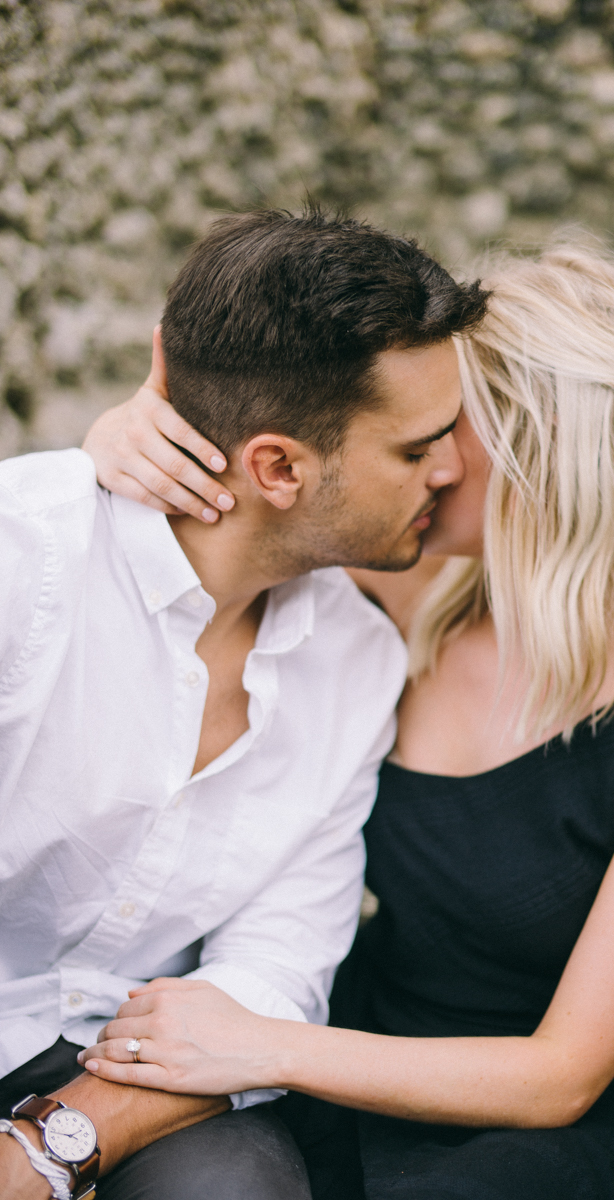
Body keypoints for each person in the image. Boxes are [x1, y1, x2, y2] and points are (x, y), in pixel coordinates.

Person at [78, 245, 614, 1200]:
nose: (421, 455)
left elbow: (561, 1077)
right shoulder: (408, 598)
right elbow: (252, 486)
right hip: (365, 1060)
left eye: (443, 428)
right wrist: (119, 440)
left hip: (557, 1126)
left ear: (535, 453)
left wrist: (269, 1045)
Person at [0, 207, 488, 1200]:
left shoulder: (356, 656)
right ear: (275, 467)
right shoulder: (25, 564)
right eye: (415, 448)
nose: (451, 468)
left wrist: (63, 1141)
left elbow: (285, 950)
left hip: (140, 1068)